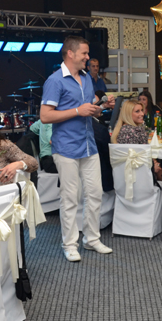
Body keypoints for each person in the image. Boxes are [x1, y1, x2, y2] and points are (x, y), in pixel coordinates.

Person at [41, 35, 116, 262]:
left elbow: (89, 108)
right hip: (65, 147)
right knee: (70, 198)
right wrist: (77, 111)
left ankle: (91, 239)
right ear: (70, 53)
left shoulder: (86, 78)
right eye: (84, 53)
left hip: (88, 144)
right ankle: (69, 244)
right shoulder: (55, 81)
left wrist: (101, 106)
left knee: (95, 194)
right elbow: (45, 116)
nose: (88, 57)